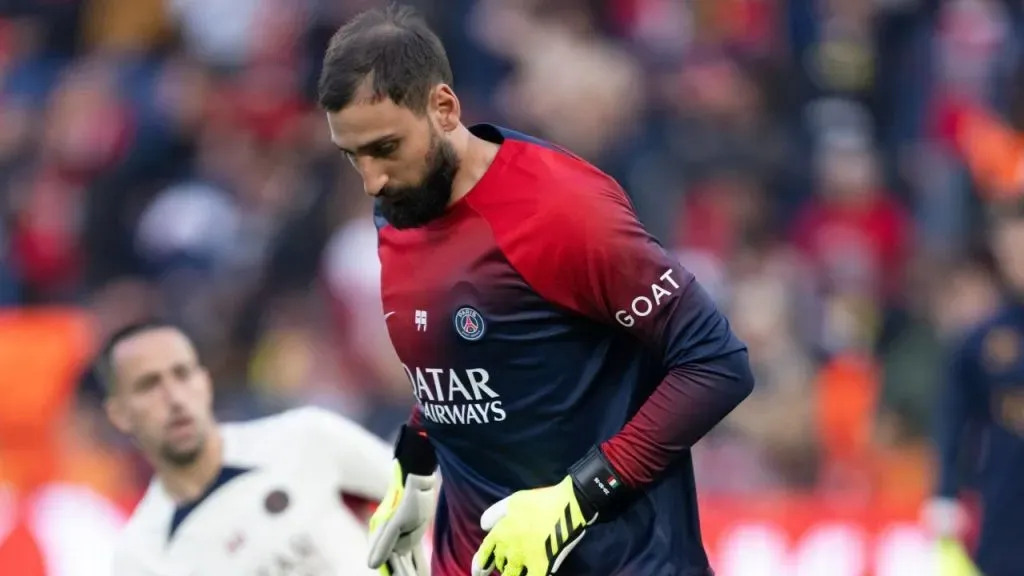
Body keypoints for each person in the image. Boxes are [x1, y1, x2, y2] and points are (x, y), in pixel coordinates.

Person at [317, 5, 755, 576]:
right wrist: (415, 465)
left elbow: (716, 364)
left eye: (385, 148)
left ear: (444, 108)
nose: (371, 180)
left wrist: (580, 496)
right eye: (352, 156)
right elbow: (474, 361)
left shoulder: (561, 211)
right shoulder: (400, 207)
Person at [102, 320, 430, 575]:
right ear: (119, 414)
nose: (174, 398)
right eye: (149, 385)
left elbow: (431, 500)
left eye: (182, 374)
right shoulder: (141, 557)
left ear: (205, 381)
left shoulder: (306, 437)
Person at [928, 196, 1024, 576]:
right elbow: (953, 418)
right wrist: (946, 492)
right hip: (1006, 500)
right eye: (1009, 250)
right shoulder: (984, 340)